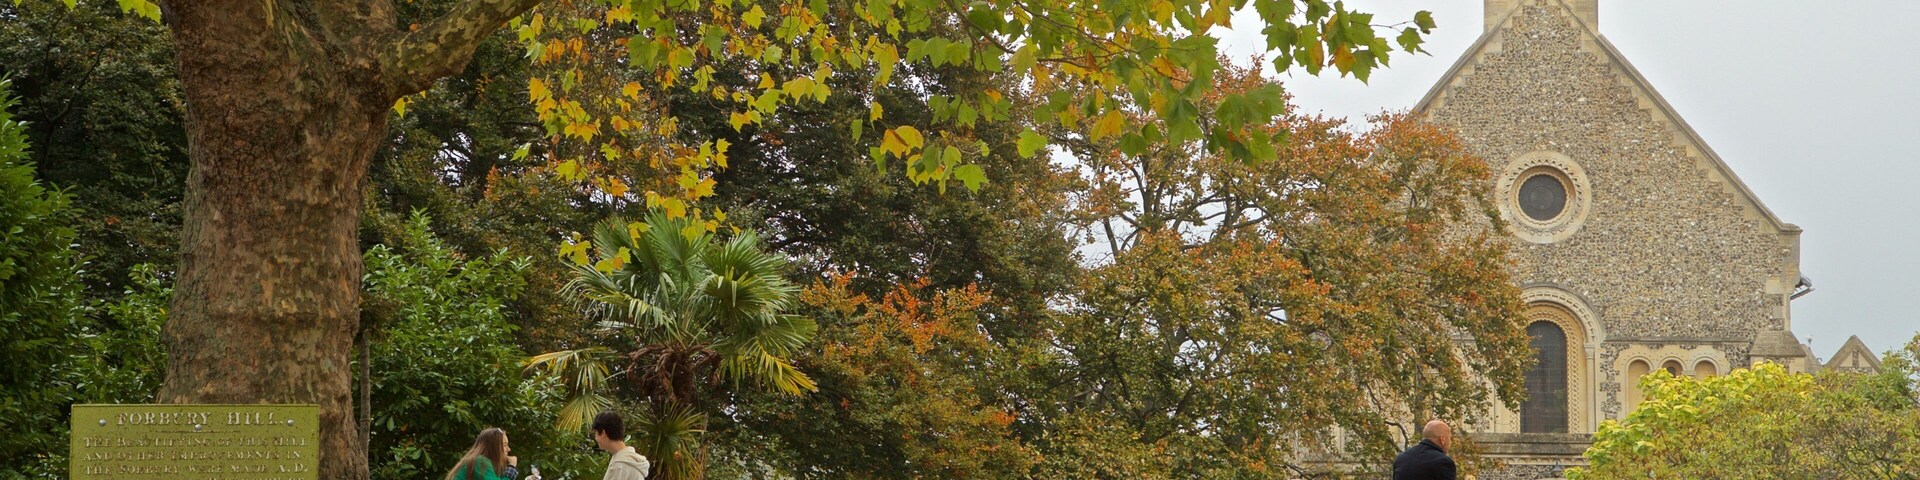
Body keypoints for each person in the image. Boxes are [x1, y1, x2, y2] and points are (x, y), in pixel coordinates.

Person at [593, 410, 650, 480]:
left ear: (603, 433)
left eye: (595, 433)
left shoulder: (621, 466)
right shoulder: (626, 459)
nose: (595, 438)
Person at [1391, 419, 1456, 480]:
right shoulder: (1443, 462)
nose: (1450, 442)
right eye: (1450, 438)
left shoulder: (1401, 459)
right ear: (1442, 439)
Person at [445, 427, 519, 480]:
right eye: (505, 445)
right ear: (493, 446)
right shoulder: (480, 462)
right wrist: (511, 467)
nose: (508, 449)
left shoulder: (479, 460)